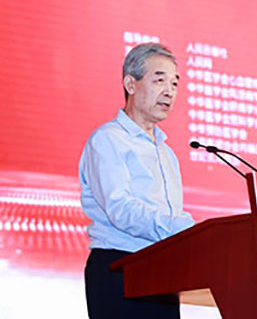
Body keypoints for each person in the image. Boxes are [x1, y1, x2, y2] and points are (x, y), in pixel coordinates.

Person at [79, 43, 195, 318]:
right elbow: (120, 208)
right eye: (159, 80)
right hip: (119, 268)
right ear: (130, 84)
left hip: (163, 273)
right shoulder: (108, 140)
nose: (169, 91)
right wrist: (181, 229)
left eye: (175, 83)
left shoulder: (167, 153)